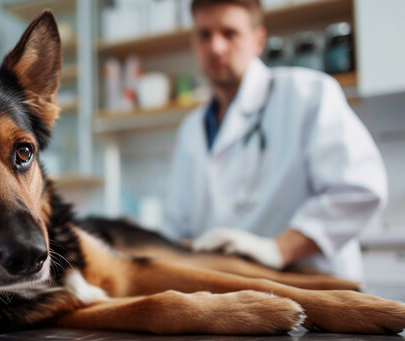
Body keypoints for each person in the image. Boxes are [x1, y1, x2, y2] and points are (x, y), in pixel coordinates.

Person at [162, 0, 387, 281]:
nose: (216, 47)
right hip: (229, 298)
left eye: (229, 33)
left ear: (258, 41)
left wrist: (278, 249)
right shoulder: (190, 129)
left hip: (314, 291)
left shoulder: (308, 94)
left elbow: (359, 188)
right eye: (204, 35)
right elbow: (175, 227)